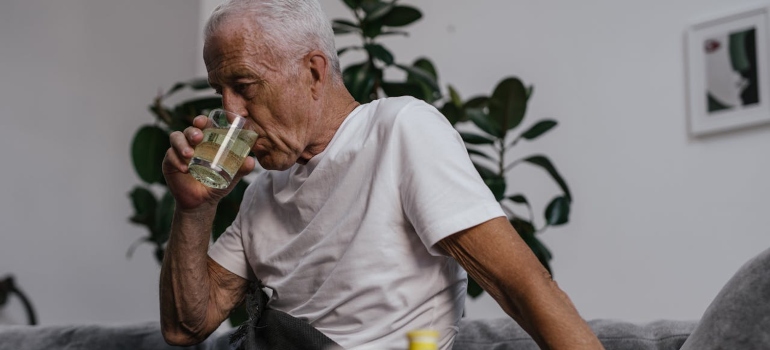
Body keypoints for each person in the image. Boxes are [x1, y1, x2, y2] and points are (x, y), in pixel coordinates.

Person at [159, 0, 603, 349]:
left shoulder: (399, 130)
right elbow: (186, 327)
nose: (229, 112)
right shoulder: (263, 194)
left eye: (245, 86)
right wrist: (194, 208)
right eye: (221, 91)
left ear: (314, 72)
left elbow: (521, 284)